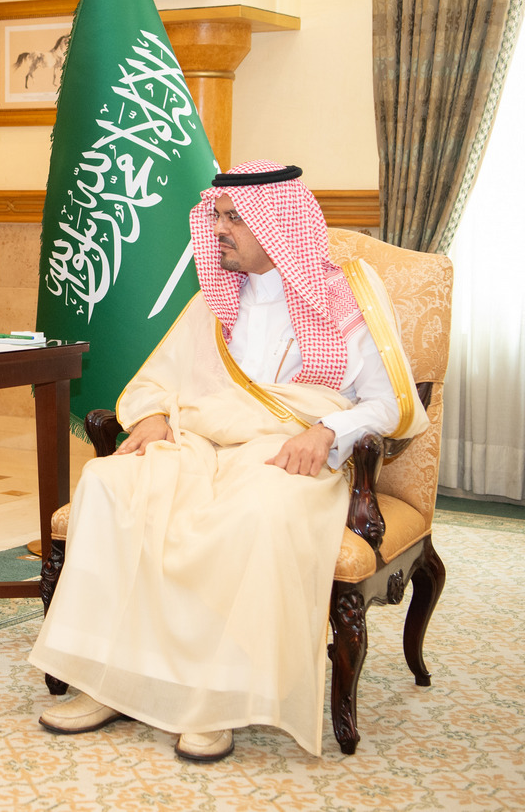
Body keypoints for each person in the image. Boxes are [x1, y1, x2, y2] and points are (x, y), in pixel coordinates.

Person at [29, 161, 428, 762]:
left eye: (234, 218)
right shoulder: (215, 301)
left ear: (278, 223)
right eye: (216, 216)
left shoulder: (346, 298)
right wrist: (154, 415)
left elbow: (391, 402)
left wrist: (329, 429)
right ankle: (111, 680)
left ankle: (216, 700)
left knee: (253, 512)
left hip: (290, 454)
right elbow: (160, 380)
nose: (218, 229)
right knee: (110, 483)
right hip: (201, 442)